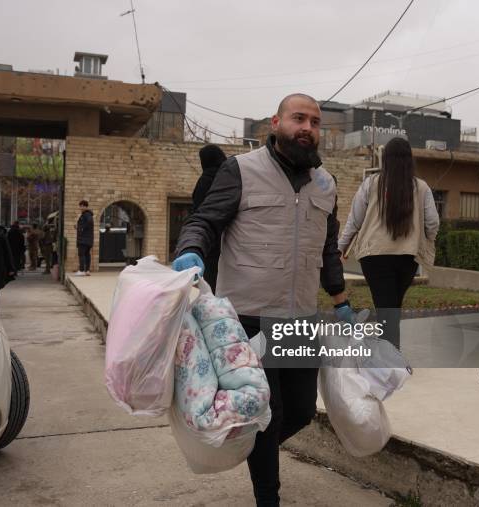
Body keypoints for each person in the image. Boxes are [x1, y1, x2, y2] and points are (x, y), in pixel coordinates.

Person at [172, 93, 359, 506]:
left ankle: (253, 446)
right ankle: (267, 497)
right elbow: (203, 220)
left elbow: (328, 248)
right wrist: (192, 251)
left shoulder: (326, 184)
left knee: (301, 411)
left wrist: (341, 300)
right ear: (275, 123)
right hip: (248, 319)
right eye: (298, 118)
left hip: (301, 319)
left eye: (314, 121)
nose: (307, 127)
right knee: (265, 413)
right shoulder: (239, 170)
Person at [338, 137, 440, 350]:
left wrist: (341, 248)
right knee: (392, 306)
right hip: (408, 256)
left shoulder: (370, 184)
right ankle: (392, 356)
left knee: (387, 307)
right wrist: (426, 240)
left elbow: (354, 220)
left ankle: (389, 359)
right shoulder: (421, 187)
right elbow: (432, 222)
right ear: (409, 159)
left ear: (385, 159)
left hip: (374, 256)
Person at [191, 144, 227, 293]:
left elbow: (198, 212)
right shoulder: (229, 178)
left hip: (210, 243)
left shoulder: (204, 182)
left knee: (212, 286)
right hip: (231, 242)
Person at [75, 199, 94, 276]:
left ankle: (81, 270)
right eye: (80, 206)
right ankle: (87, 270)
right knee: (87, 254)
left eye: (81, 206)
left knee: (81, 254)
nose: (80, 208)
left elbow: (89, 222)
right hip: (88, 239)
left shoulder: (86, 215)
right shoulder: (88, 214)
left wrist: (81, 228)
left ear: (84, 206)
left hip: (83, 239)